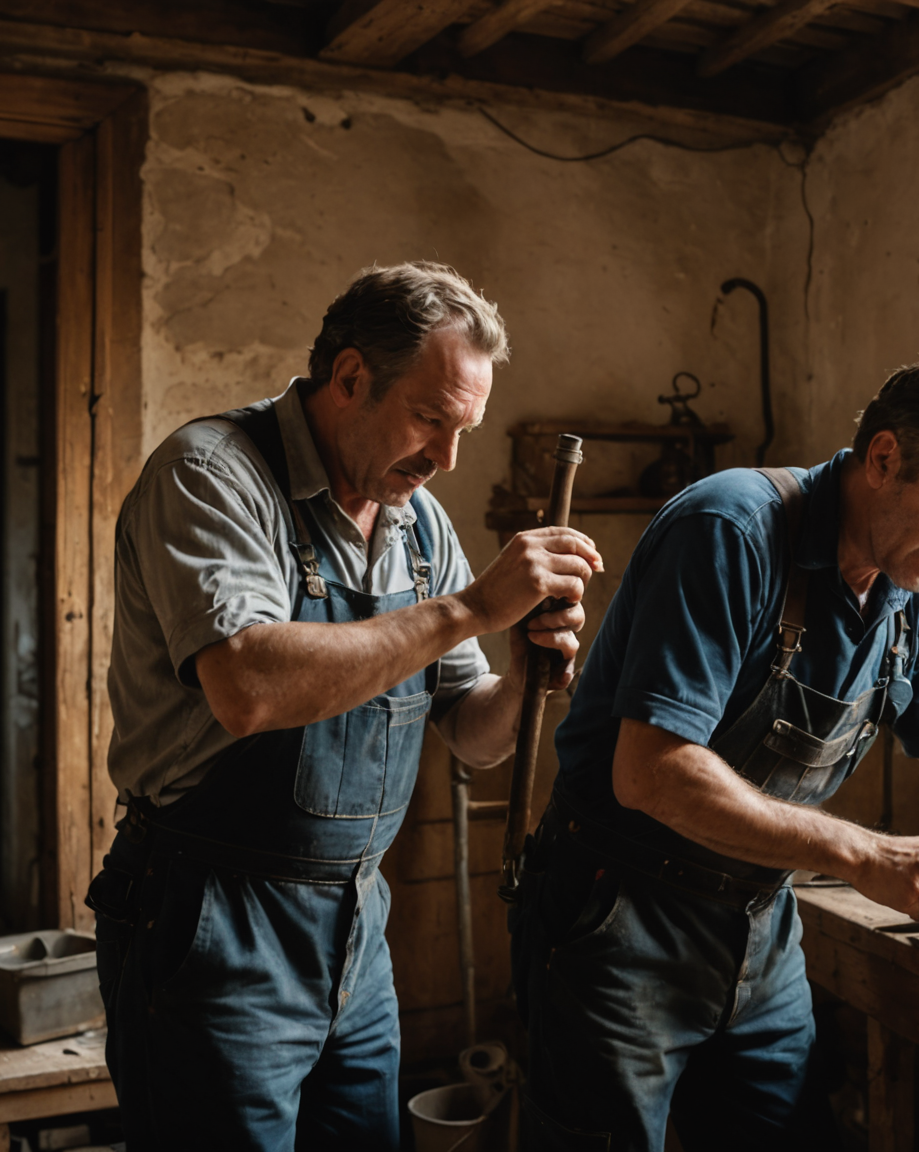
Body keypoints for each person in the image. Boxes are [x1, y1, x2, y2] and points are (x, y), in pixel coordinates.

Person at [512, 348, 919, 1149]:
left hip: (757, 928)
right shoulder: (730, 529)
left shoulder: (915, 593)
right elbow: (652, 772)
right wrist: (860, 852)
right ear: (883, 459)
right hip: (619, 920)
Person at [87, 262, 602, 1149]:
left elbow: (472, 736)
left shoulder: (418, 522)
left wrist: (520, 679)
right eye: (430, 418)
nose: (444, 458)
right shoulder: (212, 475)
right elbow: (246, 685)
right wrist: (473, 608)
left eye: (463, 430)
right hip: (214, 918)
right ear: (351, 377)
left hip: (357, 927)